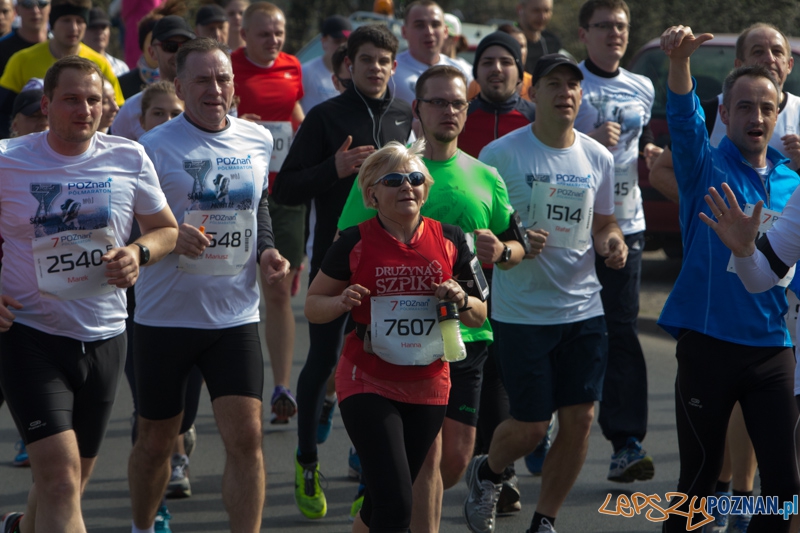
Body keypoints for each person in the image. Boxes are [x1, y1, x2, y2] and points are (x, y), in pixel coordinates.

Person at [336, 65, 527, 531]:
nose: (448, 111)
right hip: (391, 342)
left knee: (455, 458)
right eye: (437, 102)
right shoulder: (388, 169)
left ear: (467, 109)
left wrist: (501, 251)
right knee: (420, 469)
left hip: (464, 334)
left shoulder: (486, 175)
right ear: (417, 109)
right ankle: (393, 501)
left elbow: (515, 246)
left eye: (457, 103)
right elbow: (347, 250)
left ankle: (381, 503)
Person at [0, 55, 178, 533]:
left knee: (68, 483)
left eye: (94, 100)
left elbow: (166, 230)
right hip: (29, 334)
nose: (84, 109)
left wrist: (138, 254)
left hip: (104, 337)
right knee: (59, 479)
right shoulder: (8, 160)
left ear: (108, 107)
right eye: (72, 99)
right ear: (47, 103)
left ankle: (18, 529)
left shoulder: (128, 157)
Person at [127, 37, 290, 533]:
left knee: (247, 438)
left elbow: (257, 205)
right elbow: (132, 227)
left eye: (222, 79)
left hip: (234, 315)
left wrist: (266, 249)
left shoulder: (255, 140)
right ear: (179, 87)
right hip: (164, 318)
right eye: (201, 79)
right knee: (157, 441)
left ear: (234, 85)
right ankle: (141, 525)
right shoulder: (150, 149)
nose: (214, 89)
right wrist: (172, 239)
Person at [464, 53, 627, 533]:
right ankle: (489, 470)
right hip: (521, 312)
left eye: (573, 85)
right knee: (532, 427)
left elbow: (605, 225)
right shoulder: (502, 154)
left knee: (579, 420)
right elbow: (485, 232)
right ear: (534, 94)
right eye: (554, 84)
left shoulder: (597, 156)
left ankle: (545, 520)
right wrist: (512, 244)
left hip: (582, 309)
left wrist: (612, 243)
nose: (565, 93)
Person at [648, 23, 800, 532]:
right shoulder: (704, 167)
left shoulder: (791, 181)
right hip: (709, 344)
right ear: (725, 113)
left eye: (766, 108)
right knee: (698, 481)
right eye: (743, 106)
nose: (755, 116)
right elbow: (683, 119)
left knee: (784, 488)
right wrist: (679, 62)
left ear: (777, 116)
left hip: (773, 349)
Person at [308, 138, 487, 533]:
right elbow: (312, 305)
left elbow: (479, 315)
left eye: (414, 178)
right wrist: (340, 302)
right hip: (367, 380)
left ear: (425, 189)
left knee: (380, 501)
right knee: (397, 504)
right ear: (371, 195)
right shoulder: (353, 242)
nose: (406, 185)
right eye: (393, 180)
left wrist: (461, 297)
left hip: (429, 383)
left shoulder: (453, 239)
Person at [271, 23, 413, 520]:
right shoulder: (326, 117)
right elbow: (284, 188)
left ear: (395, 66)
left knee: (381, 366)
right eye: (366, 59)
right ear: (348, 66)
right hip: (336, 260)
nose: (375, 68)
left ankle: (369, 468)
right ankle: (308, 459)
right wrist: (334, 167)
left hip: (393, 264)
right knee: (325, 361)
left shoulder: (403, 116)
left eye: (383, 61)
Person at [572, 0, 660, 484]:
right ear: (585, 34)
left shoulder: (643, 86)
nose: (614, 34)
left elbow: (635, 150)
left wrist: (647, 151)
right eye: (604, 26)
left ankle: (626, 442)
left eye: (621, 26)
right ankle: (541, 424)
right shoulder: (570, 83)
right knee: (569, 329)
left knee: (621, 329)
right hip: (569, 229)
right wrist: (587, 135)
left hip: (626, 223)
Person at [232, 1, 305, 425]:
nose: (273, 40)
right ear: (244, 35)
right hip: (241, 192)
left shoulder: (293, 66)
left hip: (285, 191)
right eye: (264, 34)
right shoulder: (229, 66)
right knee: (233, 289)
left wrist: (306, 133)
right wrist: (240, 122)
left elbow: (293, 112)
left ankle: (281, 386)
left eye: (278, 33)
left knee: (278, 288)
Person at [0, 0, 125, 139]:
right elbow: (3, 111)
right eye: (66, 20)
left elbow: (118, 112)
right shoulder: (22, 60)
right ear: (52, 23)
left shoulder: (100, 64)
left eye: (79, 21)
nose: (74, 28)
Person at [111, 15, 196, 141]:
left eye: (186, 46)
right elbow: (117, 155)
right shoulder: (132, 108)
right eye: (170, 46)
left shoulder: (206, 101)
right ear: (152, 52)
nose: (178, 53)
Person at [460, 31, 535, 159]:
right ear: (476, 74)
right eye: (487, 63)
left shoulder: (537, 119)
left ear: (519, 75)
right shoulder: (459, 118)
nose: (496, 68)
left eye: (506, 62)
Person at [392, 0, 472, 105]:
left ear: (445, 31)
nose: (429, 32)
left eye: (435, 24)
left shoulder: (463, 72)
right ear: (404, 31)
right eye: (420, 25)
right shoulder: (390, 72)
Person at [299, 15, 351, 114]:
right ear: (324, 42)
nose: (343, 46)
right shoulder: (306, 71)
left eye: (346, 41)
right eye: (337, 41)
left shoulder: (355, 73)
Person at [0, 0, 51, 77]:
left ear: (50, 7)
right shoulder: (2, 49)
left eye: (42, 3)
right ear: (17, 10)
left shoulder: (62, 46)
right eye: (28, 4)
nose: (35, 10)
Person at [84, 7, 130, 77]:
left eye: (103, 27)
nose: (99, 32)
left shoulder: (121, 68)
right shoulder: (73, 66)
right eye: (94, 27)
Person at [517, 0, 561, 74]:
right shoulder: (508, 41)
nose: (542, 17)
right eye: (536, 10)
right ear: (520, 9)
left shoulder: (552, 42)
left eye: (547, 11)